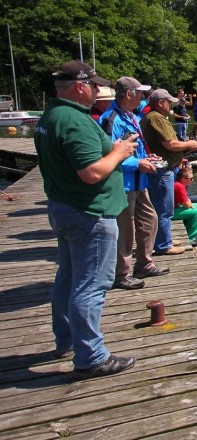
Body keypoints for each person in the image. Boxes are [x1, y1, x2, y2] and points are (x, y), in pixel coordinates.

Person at [34, 60, 137, 377]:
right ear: (80, 86)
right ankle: (91, 356)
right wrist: (119, 152)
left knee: (67, 278)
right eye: (94, 85)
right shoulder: (76, 122)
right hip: (89, 214)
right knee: (91, 285)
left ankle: (66, 340)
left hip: (64, 208)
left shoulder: (51, 116)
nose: (98, 90)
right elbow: (91, 172)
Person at [100, 76, 173, 292]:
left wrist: (145, 158)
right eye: (140, 92)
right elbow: (108, 153)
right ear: (130, 94)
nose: (143, 97)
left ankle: (144, 263)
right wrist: (136, 163)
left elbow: (133, 147)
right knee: (125, 229)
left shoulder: (130, 116)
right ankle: (122, 274)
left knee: (149, 220)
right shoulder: (111, 119)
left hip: (139, 182)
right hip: (123, 183)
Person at [141, 89, 197, 256]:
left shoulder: (153, 117)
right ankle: (163, 245)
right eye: (169, 102)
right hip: (162, 170)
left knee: (163, 207)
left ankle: (164, 238)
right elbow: (170, 144)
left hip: (164, 169)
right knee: (164, 209)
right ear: (160, 103)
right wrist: (189, 144)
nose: (172, 104)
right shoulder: (156, 118)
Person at [173, 165, 197, 245]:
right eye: (190, 179)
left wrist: (190, 204)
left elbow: (187, 200)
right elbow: (187, 204)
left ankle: (189, 228)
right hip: (169, 213)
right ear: (183, 179)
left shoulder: (178, 184)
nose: (192, 180)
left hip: (173, 208)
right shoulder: (179, 186)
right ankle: (190, 238)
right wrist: (190, 204)